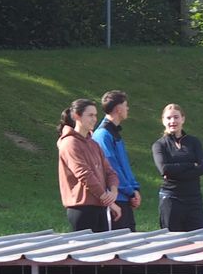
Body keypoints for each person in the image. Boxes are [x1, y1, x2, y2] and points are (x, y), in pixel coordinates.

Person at [56, 99, 118, 232]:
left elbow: (110, 171)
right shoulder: (69, 143)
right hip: (82, 208)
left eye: (95, 115)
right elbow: (84, 174)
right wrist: (106, 199)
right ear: (76, 116)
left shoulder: (94, 144)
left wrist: (113, 192)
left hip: (100, 207)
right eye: (90, 115)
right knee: (86, 246)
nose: (94, 119)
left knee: (104, 245)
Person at [151, 103, 203, 231]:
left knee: (200, 237)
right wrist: (191, 165)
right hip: (171, 199)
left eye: (176, 117)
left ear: (183, 119)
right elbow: (164, 169)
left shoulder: (193, 142)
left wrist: (174, 173)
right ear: (163, 120)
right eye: (169, 118)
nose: (172, 121)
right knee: (173, 239)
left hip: (193, 199)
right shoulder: (159, 145)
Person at [92, 90, 142, 231]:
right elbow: (112, 168)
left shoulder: (114, 133)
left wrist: (135, 189)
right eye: (125, 105)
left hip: (125, 198)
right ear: (118, 109)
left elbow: (124, 166)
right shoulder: (102, 135)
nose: (127, 108)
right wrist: (130, 192)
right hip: (115, 199)